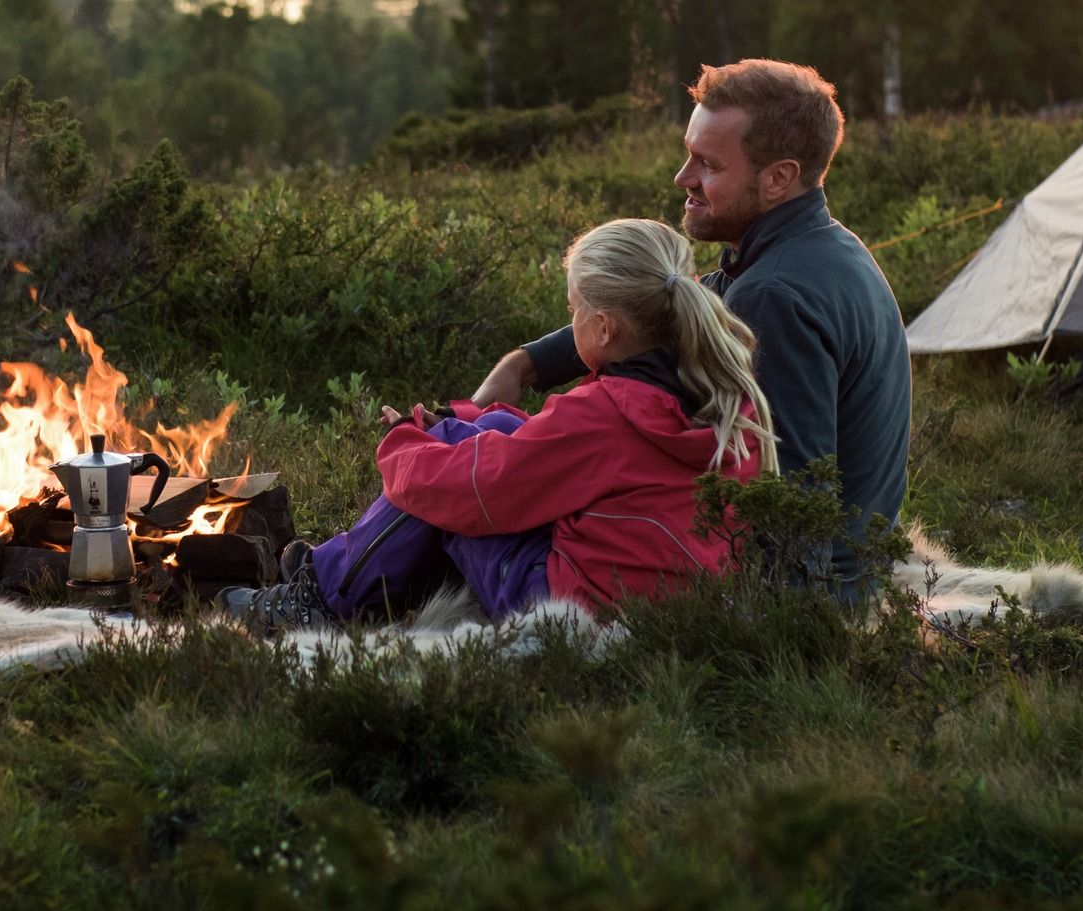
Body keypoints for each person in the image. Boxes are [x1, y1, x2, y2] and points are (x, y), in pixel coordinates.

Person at [472, 59, 910, 596]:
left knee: (489, 518)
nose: (684, 178)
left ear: (778, 178)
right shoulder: (817, 247)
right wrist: (529, 364)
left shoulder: (772, 297)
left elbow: (793, 497)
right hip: (849, 566)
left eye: (707, 164)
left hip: (804, 592)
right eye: (688, 154)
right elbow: (679, 301)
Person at [224, 218, 774, 630]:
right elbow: (548, 450)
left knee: (439, 476)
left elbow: (472, 490)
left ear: (604, 328)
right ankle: (334, 571)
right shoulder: (727, 393)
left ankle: (319, 598)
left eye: (573, 309)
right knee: (462, 439)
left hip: (573, 606)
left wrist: (401, 443)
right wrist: (464, 420)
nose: (572, 319)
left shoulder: (602, 414)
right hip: (670, 597)